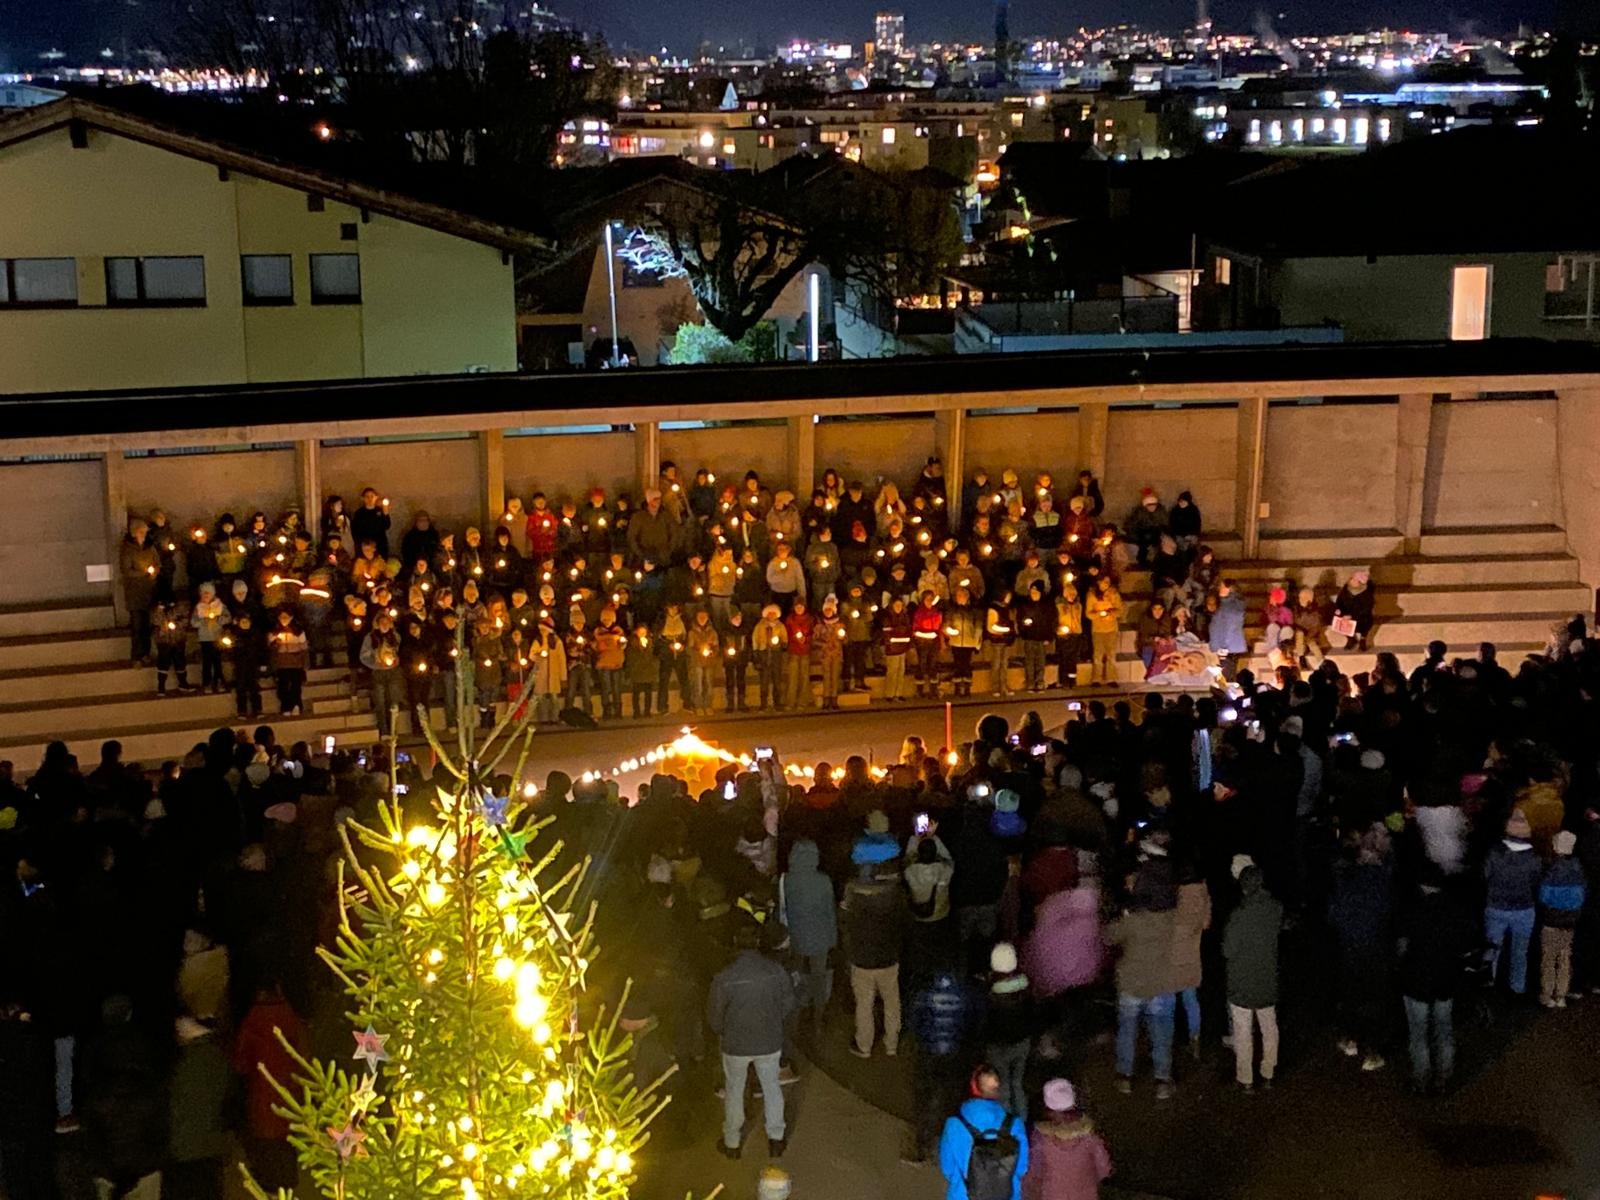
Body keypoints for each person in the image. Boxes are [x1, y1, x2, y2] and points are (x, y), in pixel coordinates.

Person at [706, 919, 795, 1159]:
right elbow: (788, 1002)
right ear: (758, 942)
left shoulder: (724, 977)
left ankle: (732, 1142)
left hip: (735, 1044)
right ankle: (776, 1139)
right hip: (769, 1041)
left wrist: (724, 1032)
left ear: (736, 942)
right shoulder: (775, 971)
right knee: (772, 1087)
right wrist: (773, 1022)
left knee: (734, 1090)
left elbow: (714, 1016)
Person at [1396, 873, 1476, 1093]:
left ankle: (1421, 1079)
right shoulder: (1454, 910)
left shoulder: (1412, 910)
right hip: (1445, 981)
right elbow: (1464, 947)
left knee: (1418, 1034)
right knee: (1444, 1029)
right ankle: (1444, 1078)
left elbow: (1402, 947)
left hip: (1416, 982)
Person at [1105, 893, 1177, 1098]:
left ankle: (1125, 1077)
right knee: (1160, 1034)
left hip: (1131, 985)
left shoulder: (1130, 921)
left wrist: (1123, 917)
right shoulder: (1168, 920)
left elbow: (1108, 936)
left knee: (1127, 1031)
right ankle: (1162, 1080)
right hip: (1159, 984)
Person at [1221, 859, 1281, 1092]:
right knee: (1269, 1027)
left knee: (1243, 1031)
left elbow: (1228, 950)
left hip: (1242, 981)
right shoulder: (1275, 908)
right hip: (1267, 978)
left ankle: (1246, 1078)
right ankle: (1268, 1072)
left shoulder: (1238, 915)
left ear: (1243, 886)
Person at [906, 970, 976, 1167]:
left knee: (925, 1098)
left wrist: (921, 1040)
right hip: (954, 1053)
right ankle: (950, 1150)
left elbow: (915, 1022)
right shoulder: (964, 995)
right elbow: (971, 1022)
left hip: (930, 1051)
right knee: (951, 1099)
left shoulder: (925, 995)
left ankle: (922, 1146)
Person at [842, 856, 907, 1059]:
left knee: (864, 1004)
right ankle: (891, 1044)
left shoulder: (854, 901)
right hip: (888, 959)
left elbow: (846, 928)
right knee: (892, 1002)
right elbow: (902, 927)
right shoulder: (894, 898)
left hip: (862, 960)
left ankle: (864, 1046)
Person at [937, 1064, 1029, 1200]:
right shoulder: (1014, 1124)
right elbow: (1021, 1168)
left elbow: (948, 1168)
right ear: (998, 1090)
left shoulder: (954, 1124)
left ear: (973, 1087)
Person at [780, 840, 836, 1040]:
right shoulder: (824, 880)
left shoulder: (786, 880)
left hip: (796, 938)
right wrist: (832, 938)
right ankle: (817, 1022)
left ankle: (793, 1018)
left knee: (795, 977)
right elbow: (829, 912)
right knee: (819, 980)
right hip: (820, 939)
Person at [1022, 1078, 1112, 1200]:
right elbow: (1104, 1169)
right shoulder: (1090, 1138)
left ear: (1048, 1110)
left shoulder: (1042, 1140)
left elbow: (1034, 1173)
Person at [1484, 808, 1541, 996]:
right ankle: (1518, 986)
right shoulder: (1534, 857)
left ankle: (1489, 980)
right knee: (1520, 951)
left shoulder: (1495, 853)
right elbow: (1535, 882)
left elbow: (1486, 875)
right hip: (1524, 909)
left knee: (1492, 948)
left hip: (1496, 906)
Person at [984, 942, 1033, 1120]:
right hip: (1023, 1043)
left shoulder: (991, 995)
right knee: (1017, 1083)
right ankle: (1022, 1121)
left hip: (999, 1047)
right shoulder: (1026, 988)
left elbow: (987, 1024)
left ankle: (1006, 1126)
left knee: (1002, 1085)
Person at [1538, 830, 1587, 1008]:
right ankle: (1561, 995)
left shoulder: (1551, 870)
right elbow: (1581, 897)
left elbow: (1543, 897)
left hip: (1552, 920)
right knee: (1565, 958)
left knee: (1549, 959)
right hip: (1570, 922)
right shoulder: (1578, 870)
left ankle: (1547, 995)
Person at [1086, 578, 1123, 686]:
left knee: (1111, 655)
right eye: (1104, 582)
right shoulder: (1091, 595)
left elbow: (1120, 610)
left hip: (1111, 629)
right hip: (1098, 630)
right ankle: (1096, 679)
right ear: (1099, 582)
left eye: (1108, 582)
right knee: (1098, 655)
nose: (1106, 584)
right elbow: (1088, 613)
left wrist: (1109, 613)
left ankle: (1111, 679)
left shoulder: (1114, 594)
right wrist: (1098, 614)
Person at [1332, 569, 1376, 651]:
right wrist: (1342, 613)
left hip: (1360, 615)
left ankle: (1363, 640)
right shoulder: (1345, 589)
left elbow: (1367, 608)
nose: (1352, 581)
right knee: (1338, 619)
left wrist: (1352, 616)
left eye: (1355, 579)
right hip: (1346, 614)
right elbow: (1339, 602)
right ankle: (1351, 638)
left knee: (1365, 620)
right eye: (1352, 579)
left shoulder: (1366, 592)